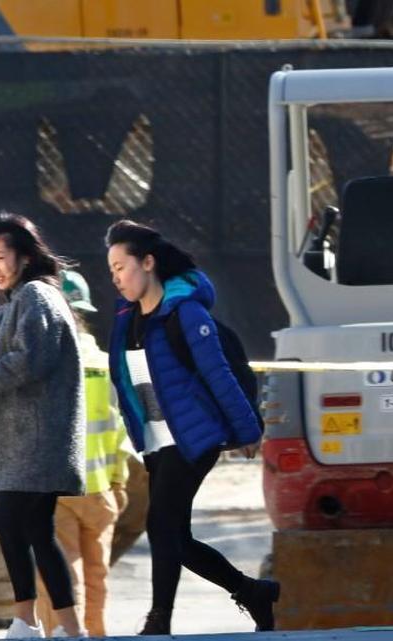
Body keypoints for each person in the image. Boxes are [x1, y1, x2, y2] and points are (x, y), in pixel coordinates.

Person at [105, 219, 278, 635]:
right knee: (176, 537)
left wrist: (248, 430)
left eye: (122, 266)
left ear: (148, 263)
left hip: (193, 436)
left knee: (161, 525)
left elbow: (217, 372)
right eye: (111, 270)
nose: (117, 278)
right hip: (157, 441)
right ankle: (252, 592)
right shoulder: (127, 322)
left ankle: (158, 620)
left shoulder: (185, 313)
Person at [0, 212, 86, 638]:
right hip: (28, 439)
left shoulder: (34, 296)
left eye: (1, 256)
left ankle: (27, 621)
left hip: (38, 439)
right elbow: (23, 356)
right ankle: (67, 628)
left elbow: (30, 361)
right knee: (35, 531)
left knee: (8, 521)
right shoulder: (18, 302)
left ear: (25, 257)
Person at [34, 270, 131, 637]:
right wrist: (119, 481)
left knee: (61, 578)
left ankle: (63, 636)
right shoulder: (105, 363)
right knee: (96, 579)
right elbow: (121, 428)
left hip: (57, 488)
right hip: (101, 488)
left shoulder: (45, 362)